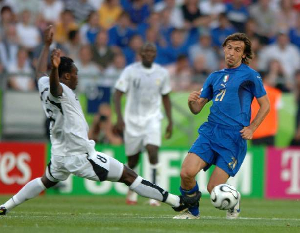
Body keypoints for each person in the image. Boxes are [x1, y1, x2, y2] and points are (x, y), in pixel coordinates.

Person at [0, 26, 200, 216]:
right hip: (81, 156)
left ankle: (6, 206)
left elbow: (38, 73)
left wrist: (46, 46)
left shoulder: (43, 83)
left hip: (60, 153)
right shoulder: (60, 90)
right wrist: (54, 69)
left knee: (46, 180)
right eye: (76, 73)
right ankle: (177, 201)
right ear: (66, 75)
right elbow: (55, 89)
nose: (78, 77)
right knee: (129, 176)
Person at [173, 33, 270, 220]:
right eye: (229, 48)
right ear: (224, 49)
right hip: (210, 131)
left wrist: (252, 128)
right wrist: (191, 102)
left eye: (237, 50)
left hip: (233, 137)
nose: (232, 53)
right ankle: (192, 212)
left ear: (243, 54)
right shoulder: (214, 77)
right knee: (186, 172)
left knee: (214, 190)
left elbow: (265, 105)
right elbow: (197, 108)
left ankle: (234, 202)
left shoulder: (250, 75)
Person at [114, 42, 173, 206]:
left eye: (152, 51)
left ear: (155, 54)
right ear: (140, 53)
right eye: (146, 51)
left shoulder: (162, 73)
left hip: (153, 118)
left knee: (152, 151)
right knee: (132, 160)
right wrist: (119, 118)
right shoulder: (130, 71)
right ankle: (132, 191)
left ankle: (155, 193)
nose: (149, 53)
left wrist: (170, 121)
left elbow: (166, 96)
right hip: (132, 120)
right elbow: (117, 94)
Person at [251, 72, 282, 146]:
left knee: (257, 156)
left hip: (255, 130)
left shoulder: (250, 93)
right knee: (271, 156)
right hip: (270, 131)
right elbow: (279, 108)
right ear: (265, 79)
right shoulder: (276, 93)